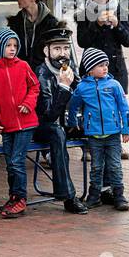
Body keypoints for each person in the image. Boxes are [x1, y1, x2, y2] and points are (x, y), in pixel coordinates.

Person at [0, 27, 40, 220]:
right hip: (5, 127)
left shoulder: (23, 66)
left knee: (16, 161)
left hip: (27, 124)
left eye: (15, 45)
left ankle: (20, 199)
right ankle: (14, 197)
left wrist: (28, 104)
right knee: (11, 164)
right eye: (8, 45)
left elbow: (35, 86)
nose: (12, 49)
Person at [67, 47, 129, 211]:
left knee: (115, 166)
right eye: (100, 65)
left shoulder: (114, 85)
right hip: (94, 136)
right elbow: (74, 107)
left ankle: (119, 196)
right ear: (90, 69)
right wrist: (73, 124)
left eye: (106, 64)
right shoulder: (82, 88)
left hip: (113, 135)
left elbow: (124, 108)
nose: (105, 68)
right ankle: (94, 196)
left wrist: (126, 128)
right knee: (96, 167)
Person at [33, 25, 88, 215]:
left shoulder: (70, 68)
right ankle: (68, 197)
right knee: (57, 133)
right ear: (46, 51)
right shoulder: (42, 74)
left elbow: (84, 96)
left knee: (101, 131)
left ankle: (105, 189)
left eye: (65, 48)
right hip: (44, 127)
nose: (63, 53)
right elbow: (48, 114)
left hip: (67, 124)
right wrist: (64, 87)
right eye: (57, 49)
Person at [76, 0, 129, 93]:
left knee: (116, 106)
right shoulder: (85, 14)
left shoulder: (120, 12)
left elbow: (128, 41)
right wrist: (97, 25)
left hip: (115, 70)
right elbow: (82, 42)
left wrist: (118, 25)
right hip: (91, 70)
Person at [7, 0, 61, 72]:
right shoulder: (16, 22)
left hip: (43, 75)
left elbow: (55, 52)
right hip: (21, 73)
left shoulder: (51, 23)